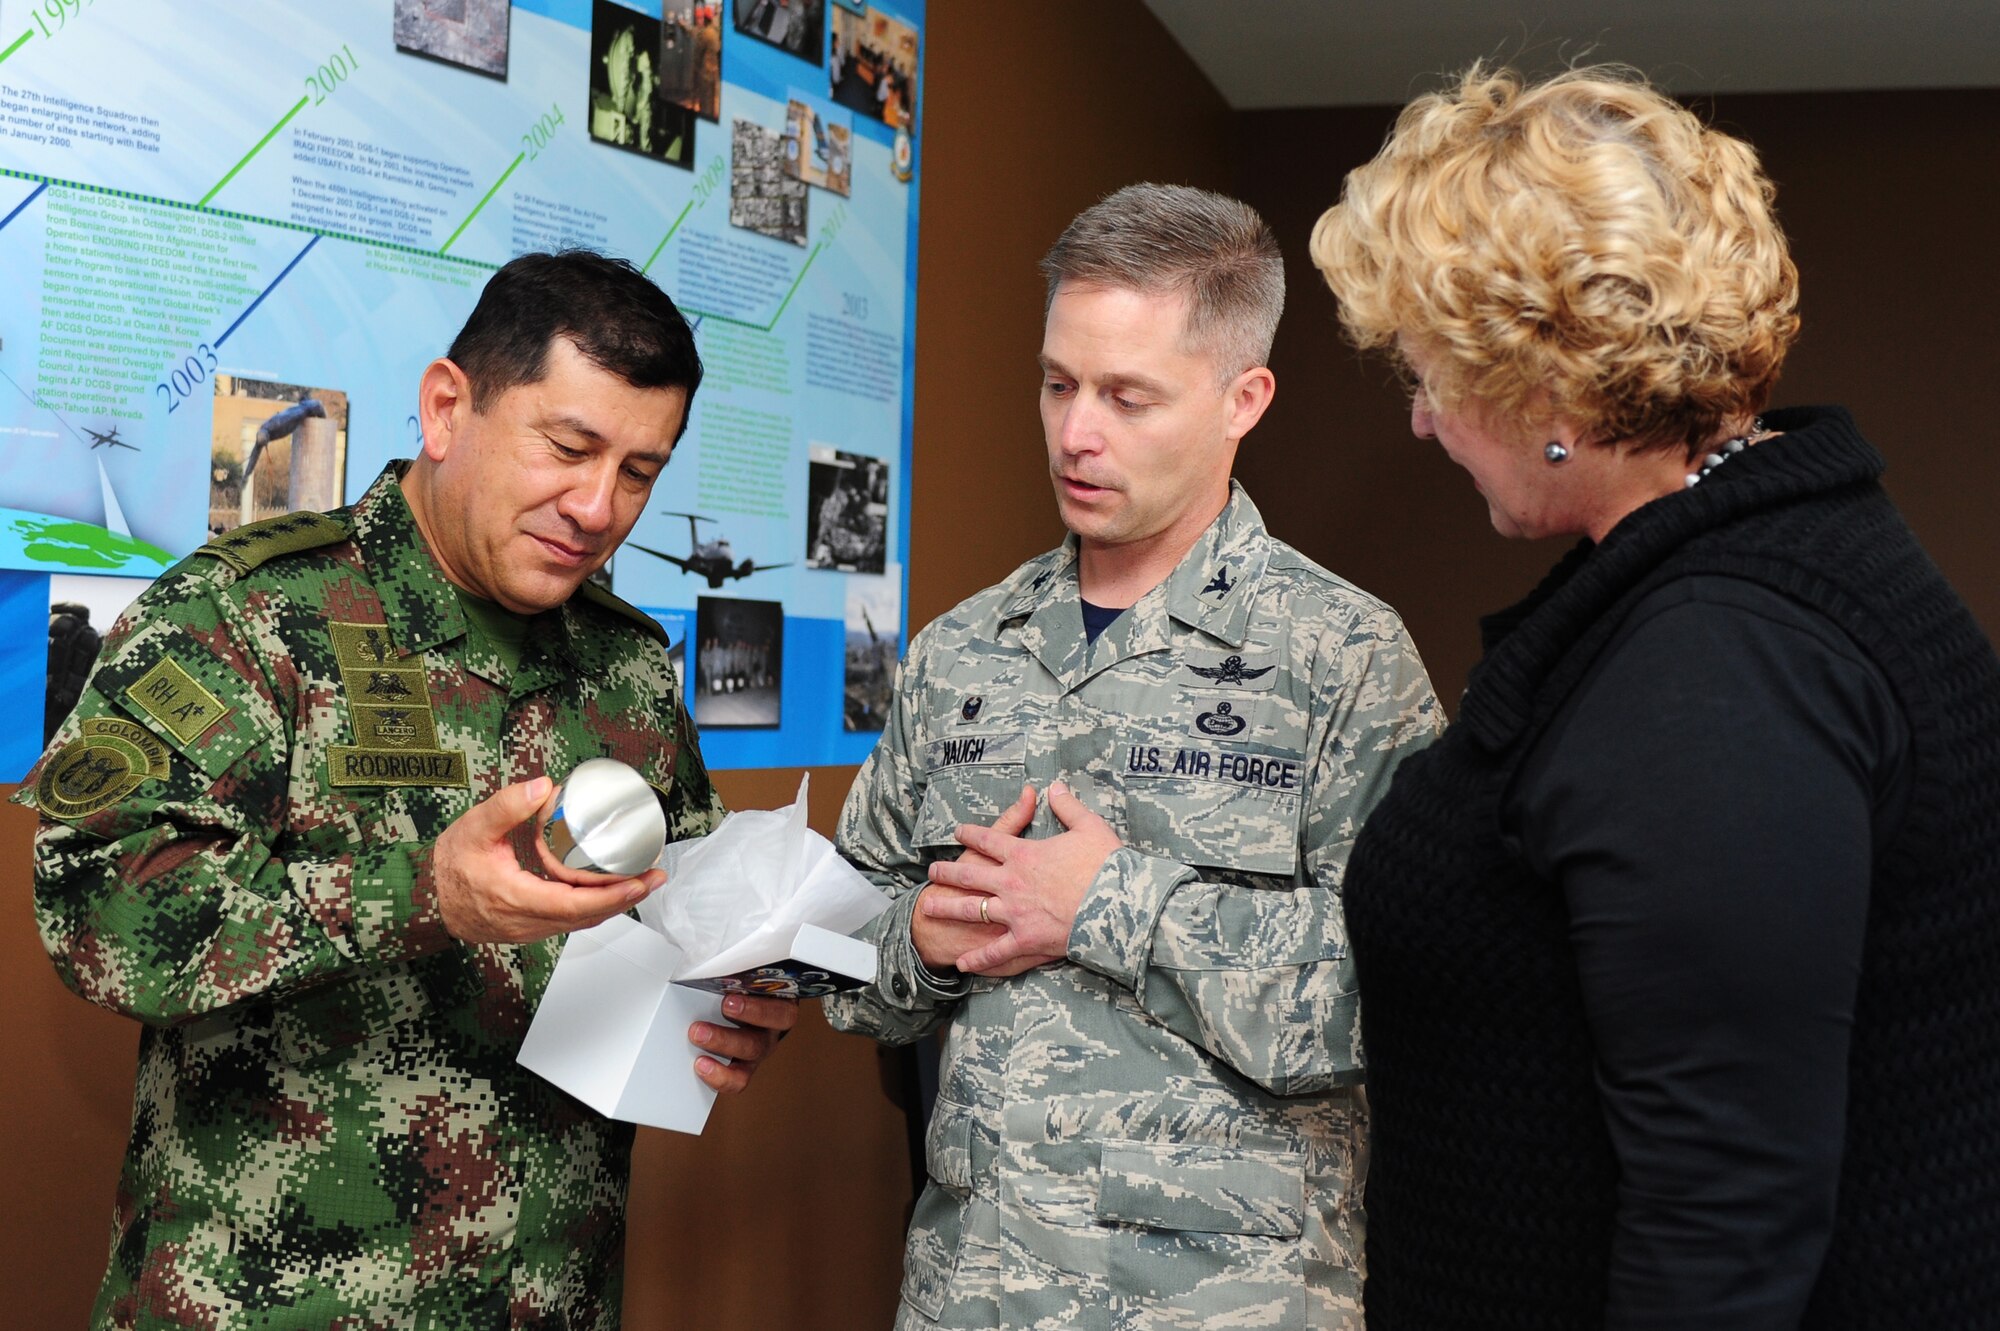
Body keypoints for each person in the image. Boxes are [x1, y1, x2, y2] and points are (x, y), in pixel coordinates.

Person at [1312, 65, 2000, 1329]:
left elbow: (1722, 1215)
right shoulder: (1774, 547)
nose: (1417, 421)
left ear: (1541, 389)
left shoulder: (1719, 664)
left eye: (1424, 375)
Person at [18, 250, 796, 1328]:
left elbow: (683, 895)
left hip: (544, 1294)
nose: (596, 505)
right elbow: (101, 906)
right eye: (567, 447)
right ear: (446, 407)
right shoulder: (245, 614)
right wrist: (422, 892)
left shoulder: (622, 662)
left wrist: (729, 992)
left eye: (638, 471)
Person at [824, 184, 1441, 1329]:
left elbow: (1413, 995)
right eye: (1057, 383)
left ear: (1240, 398)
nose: (1075, 432)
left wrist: (1113, 902)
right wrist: (917, 938)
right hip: (973, 1291)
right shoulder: (961, 648)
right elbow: (837, 942)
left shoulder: (1343, 657)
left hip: (1226, 1303)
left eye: (1126, 396)